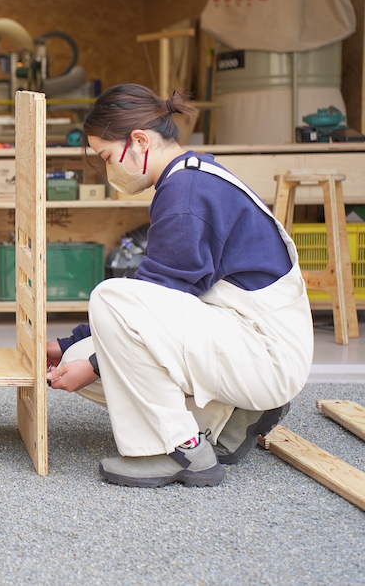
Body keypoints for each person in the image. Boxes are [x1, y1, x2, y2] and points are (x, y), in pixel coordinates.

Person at [46, 83, 313, 488]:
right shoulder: (190, 176)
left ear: (138, 141)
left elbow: (147, 303)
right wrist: (69, 346)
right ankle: (230, 419)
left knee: (108, 302)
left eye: (106, 156)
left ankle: (180, 450)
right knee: (84, 352)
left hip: (264, 354)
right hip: (252, 340)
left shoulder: (186, 194)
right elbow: (159, 290)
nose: (108, 169)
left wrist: (96, 366)